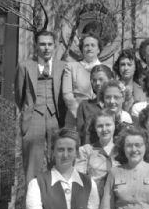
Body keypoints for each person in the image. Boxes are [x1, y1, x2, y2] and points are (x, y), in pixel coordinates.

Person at [14, 30, 67, 182]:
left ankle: (56, 203)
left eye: (50, 44)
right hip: (33, 119)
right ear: (36, 45)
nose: (46, 48)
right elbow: (19, 95)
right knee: (32, 165)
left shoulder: (63, 66)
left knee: (58, 161)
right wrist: (29, 110)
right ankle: (32, 204)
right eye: (42, 44)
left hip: (56, 118)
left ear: (55, 46)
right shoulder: (25, 66)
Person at [62, 32, 105, 126]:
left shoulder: (107, 69)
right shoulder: (71, 67)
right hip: (75, 118)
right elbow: (67, 94)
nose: (89, 48)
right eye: (86, 45)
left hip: (101, 118)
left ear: (98, 49)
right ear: (82, 49)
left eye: (93, 45)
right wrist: (80, 113)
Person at [76, 64, 113, 145]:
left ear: (110, 80)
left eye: (101, 79)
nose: (97, 83)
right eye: (94, 80)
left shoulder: (115, 105)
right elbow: (80, 135)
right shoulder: (84, 106)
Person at [113, 48, 146, 113]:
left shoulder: (143, 89)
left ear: (135, 67)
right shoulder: (113, 87)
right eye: (122, 64)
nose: (126, 68)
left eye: (129, 64)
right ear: (118, 67)